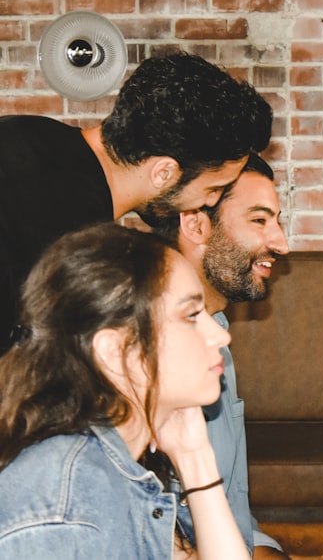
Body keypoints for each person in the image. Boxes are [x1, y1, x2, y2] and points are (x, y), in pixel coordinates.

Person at [0, 223, 250, 558]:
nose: (220, 337)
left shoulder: (115, 461)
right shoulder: (71, 510)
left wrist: (195, 460)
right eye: (191, 315)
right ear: (115, 352)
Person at [0, 51, 273, 355]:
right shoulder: (75, 239)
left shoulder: (24, 129)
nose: (209, 200)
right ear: (164, 172)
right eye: (214, 187)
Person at [149, 154, 291, 559]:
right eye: (259, 220)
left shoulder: (217, 333)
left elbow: (233, 514)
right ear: (196, 224)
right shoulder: (148, 354)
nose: (280, 242)